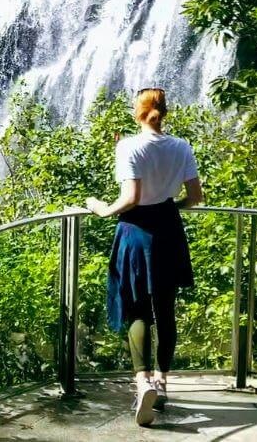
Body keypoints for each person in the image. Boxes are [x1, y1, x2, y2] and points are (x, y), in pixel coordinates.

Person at [85, 88, 202, 427]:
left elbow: (131, 198)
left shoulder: (128, 146)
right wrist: (168, 209)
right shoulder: (181, 146)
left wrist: (102, 209)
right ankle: (163, 384)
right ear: (163, 112)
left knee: (137, 306)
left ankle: (143, 381)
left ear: (138, 112)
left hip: (136, 231)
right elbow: (195, 196)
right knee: (165, 309)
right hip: (168, 229)